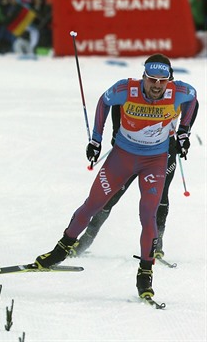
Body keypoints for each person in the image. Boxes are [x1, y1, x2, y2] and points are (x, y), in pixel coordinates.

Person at [33, 54, 198, 299]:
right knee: (93, 204)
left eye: (162, 81)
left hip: (155, 161)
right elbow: (104, 101)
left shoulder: (179, 92)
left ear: (169, 81)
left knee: (148, 214)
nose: (156, 85)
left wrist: (184, 132)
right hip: (122, 158)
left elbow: (193, 99)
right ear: (143, 77)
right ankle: (61, 250)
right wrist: (95, 140)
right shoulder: (127, 89)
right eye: (151, 79)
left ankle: (145, 274)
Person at [71, 100, 199, 258]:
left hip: (165, 150)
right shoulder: (141, 91)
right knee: (112, 194)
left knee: (159, 196)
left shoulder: (178, 93)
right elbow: (117, 104)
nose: (160, 86)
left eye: (165, 82)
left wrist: (184, 133)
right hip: (133, 148)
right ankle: (86, 239)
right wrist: (116, 131)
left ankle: (156, 245)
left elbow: (194, 103)